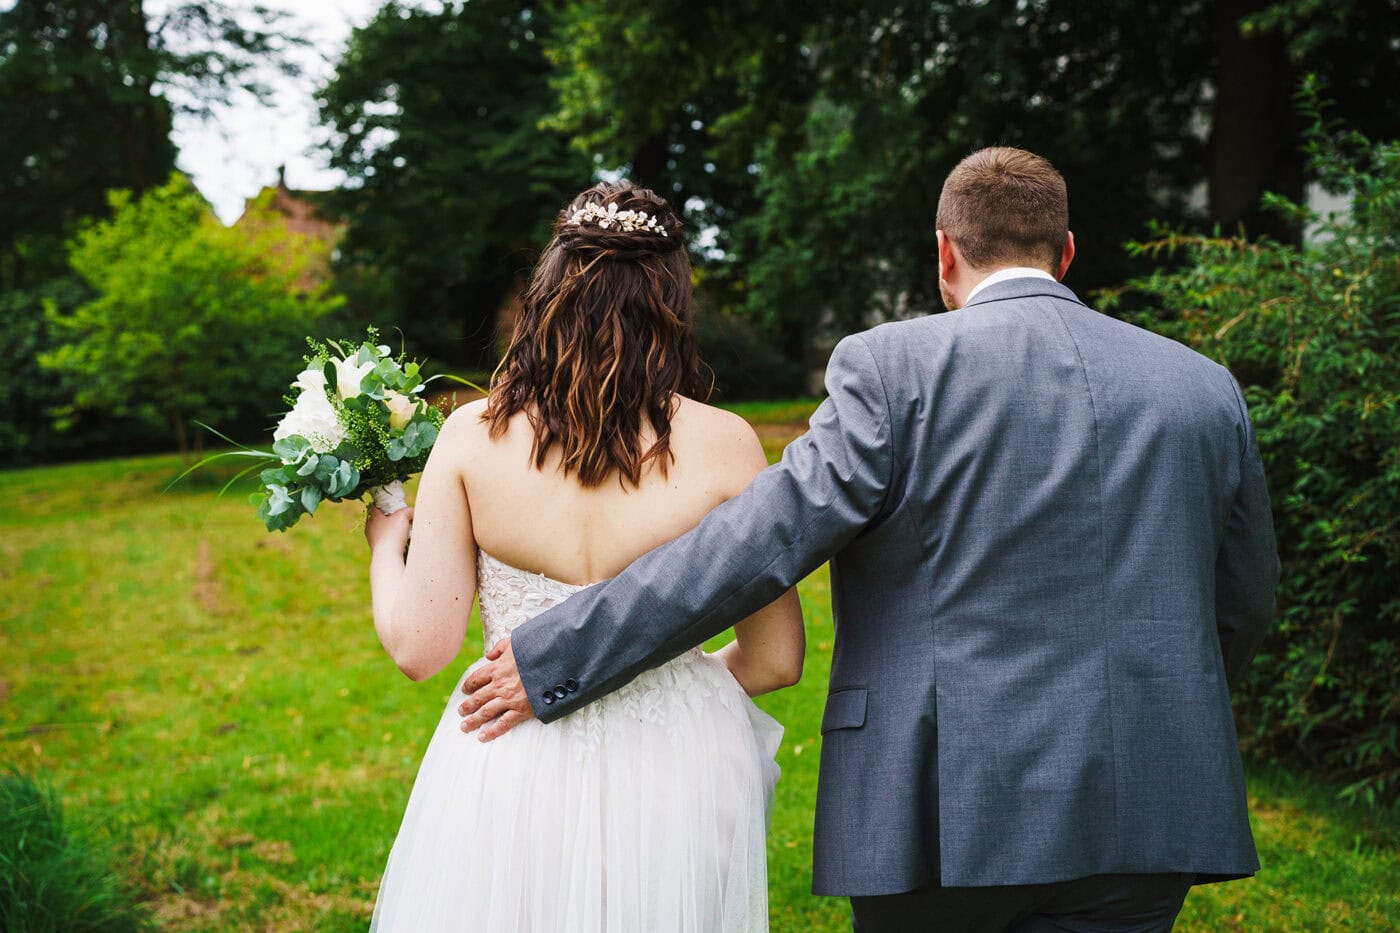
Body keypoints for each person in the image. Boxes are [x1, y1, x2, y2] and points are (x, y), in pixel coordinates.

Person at [458, 148, 1280, 932]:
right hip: (1144, 805)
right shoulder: (1203, 389)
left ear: (944, 252)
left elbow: (753, 545)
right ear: (1065, 252)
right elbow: (1243, 605)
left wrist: (558, 653)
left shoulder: (894, 371)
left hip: (938, 806)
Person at [363, 181, 804, 932]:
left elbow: (418, 646)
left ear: (548, 291)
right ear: (671, 299)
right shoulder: (728, 444)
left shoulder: (470, 436)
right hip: (678, 764)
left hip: (513, 751)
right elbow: (777, 660)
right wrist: (665, 680)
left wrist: (384, 544)